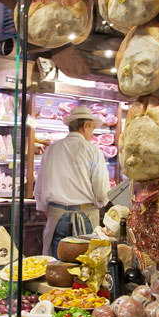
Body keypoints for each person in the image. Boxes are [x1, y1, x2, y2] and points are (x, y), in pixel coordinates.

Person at [34, 106, 110, 258]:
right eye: (92, 128)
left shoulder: (52, 149)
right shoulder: (93, 151)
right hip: (86, 217)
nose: (92, 133)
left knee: (58, 264)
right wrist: (100, 203)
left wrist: (46, 208)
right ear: (85, 126)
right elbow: (101, 191)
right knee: (86, 268)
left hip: (57, 217)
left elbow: (40, 187)